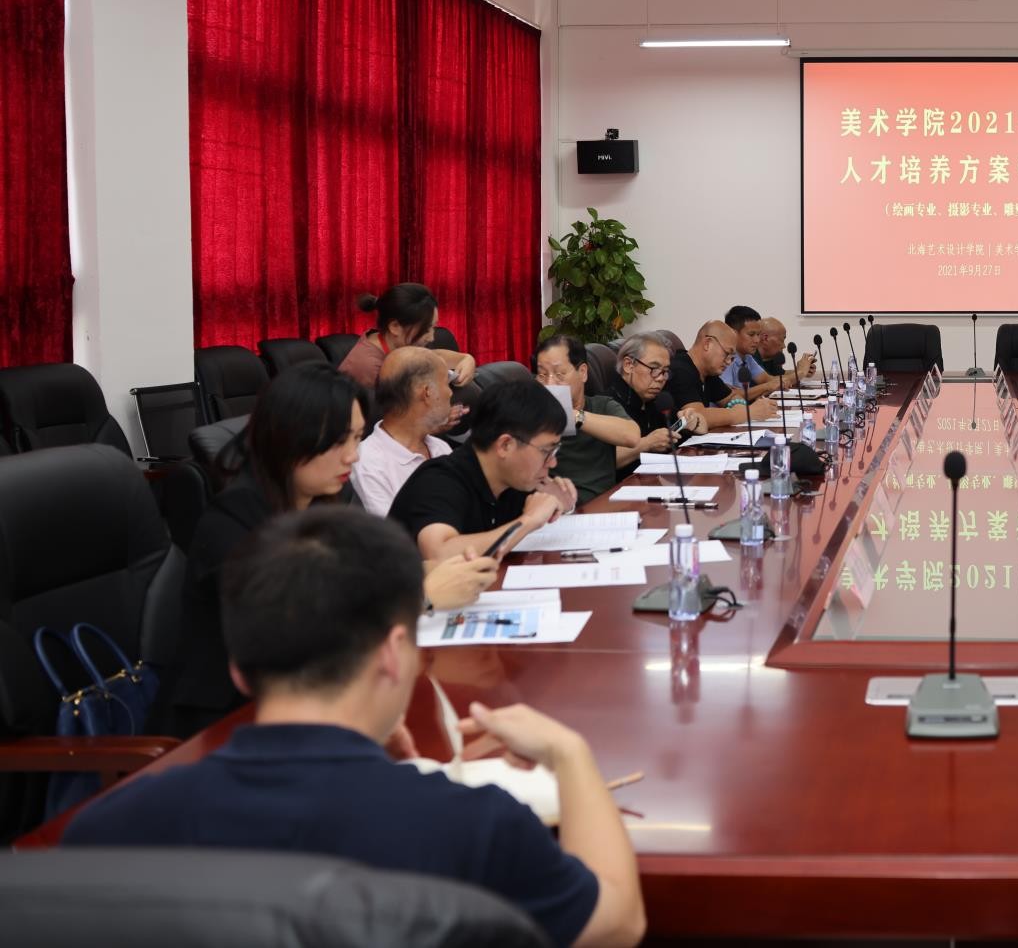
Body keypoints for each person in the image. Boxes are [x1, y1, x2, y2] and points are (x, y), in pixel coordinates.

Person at [65, 507, 647, 948]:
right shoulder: (474, 824)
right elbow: (617, 922)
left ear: (239, 669)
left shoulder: (108, 828)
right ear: (394, 653)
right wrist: (569, 754)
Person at [156, 365, 495, 736]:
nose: (353, 456)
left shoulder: (321, 501)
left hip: (312, 696)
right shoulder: (233, 522)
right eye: (339, 442)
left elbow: (353, 579)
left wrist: (423, 571)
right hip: (229, 720)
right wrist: (421, 597)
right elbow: (296, 629)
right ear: (290, 437)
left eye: (357, 438)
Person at [390, 379, 579, 562]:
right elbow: (439, 553)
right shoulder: (439, 481)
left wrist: (561, 503)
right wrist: (528, 520)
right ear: (505, 445)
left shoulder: (513, 479)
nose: (552, 462)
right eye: (546, 451)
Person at [536, 334, 673, 504]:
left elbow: (631, 436)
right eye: (542, 375)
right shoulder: (536, 417)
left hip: (608, 505)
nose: (549, 384)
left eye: (559, 374)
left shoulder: (603, 405)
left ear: (583, 372)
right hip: (565, 508)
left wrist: (574, 415)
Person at [351, 347, 454, 518]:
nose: (450, 393)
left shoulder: (440, 448)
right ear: (427, 393)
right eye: (446, 383)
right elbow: (393, 532)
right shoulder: (368, 462)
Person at [338, 283, 477, 392]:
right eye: (426, 329)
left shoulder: (396, 342)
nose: (431, 338)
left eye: (433, 327)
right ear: (395, 327)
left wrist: (466, 359)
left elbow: (430, 357)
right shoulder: (369, 370)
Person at [671, 321, 780, 431]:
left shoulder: (708, 372)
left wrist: (742, 408)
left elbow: (731, 397)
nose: (728, 362)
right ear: (707, 344)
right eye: (727, 353)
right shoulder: (680, 369)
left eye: (732, 358)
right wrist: (748, 413)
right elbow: (697, 416)